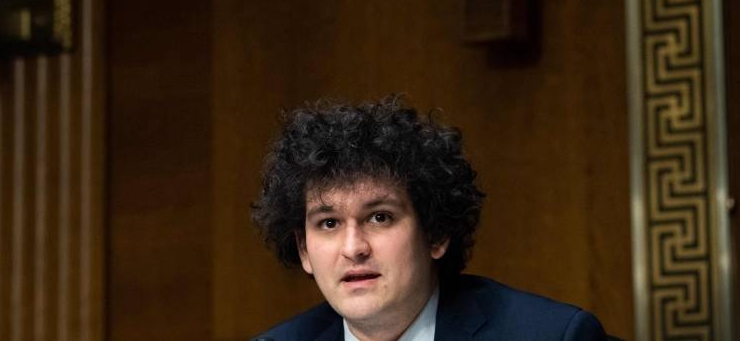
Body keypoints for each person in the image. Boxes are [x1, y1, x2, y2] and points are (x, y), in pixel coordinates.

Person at [250, 96, 608, 341]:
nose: (353, 248)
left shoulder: (551, 335)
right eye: (329, 223)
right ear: (303, 250)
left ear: (435, 233)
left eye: (379, 217)